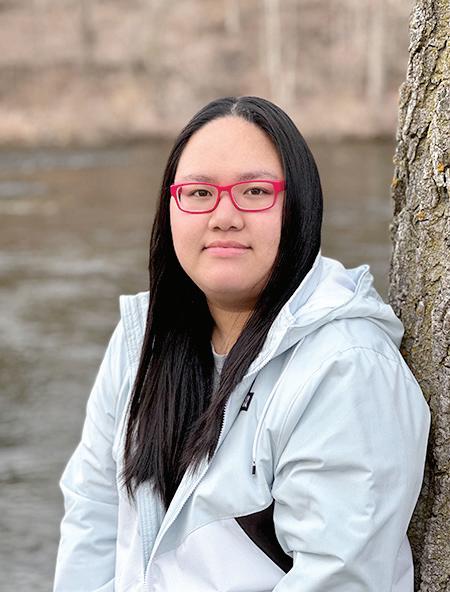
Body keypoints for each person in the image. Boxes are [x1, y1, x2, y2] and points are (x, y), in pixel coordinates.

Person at [53, 95, 431, 592]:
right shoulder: (140, 341)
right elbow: (92, 516)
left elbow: (340, 578)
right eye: (199, 192)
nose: (224, 216)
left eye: (255, 192)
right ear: (171, 208)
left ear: (299, 206)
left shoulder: (345, 368)